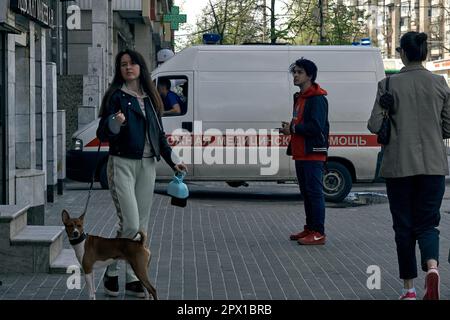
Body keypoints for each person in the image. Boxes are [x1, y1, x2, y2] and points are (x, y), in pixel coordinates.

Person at [96, 49, 187, 298]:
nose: (128, 67)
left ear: (141, 68)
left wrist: (173, 161)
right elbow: (103, 132)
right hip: (122, 163)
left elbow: (159, 135)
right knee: (131, 223)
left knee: (142, 225)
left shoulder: (151, 98)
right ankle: (111, 270)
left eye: (133, 63)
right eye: (123, 64)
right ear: (119, 69)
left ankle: (133, 277)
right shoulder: (115, 96)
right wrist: (116, 122)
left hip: (147, 165)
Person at [368, 32, 450, 300]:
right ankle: (433, 268)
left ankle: (409, 289)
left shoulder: (388, 84)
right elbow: (448, 126)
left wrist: (386, 107)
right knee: (428, 224)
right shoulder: (440, 83)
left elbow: (373, 126)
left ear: (402, 53)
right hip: (433, 167)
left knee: (403, 227)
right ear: (424, 53)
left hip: (399, 167)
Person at [281, 58, 329, 245]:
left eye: (299, 72)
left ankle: (318, 232)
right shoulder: (299, 97)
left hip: (313, 152)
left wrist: (292, 130)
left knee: (315, 192)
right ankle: (310, 228)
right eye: (294, 72)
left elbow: (316, 127)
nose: (295, 75)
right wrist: (291, 126)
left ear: (309, 75)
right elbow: (301, 122)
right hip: (301, 151)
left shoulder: (317, 99)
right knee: (306, 192)